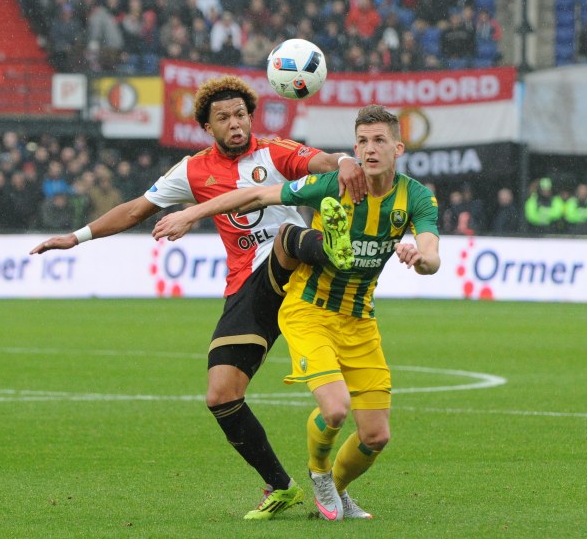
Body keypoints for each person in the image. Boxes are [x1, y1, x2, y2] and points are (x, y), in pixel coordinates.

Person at [29, 75, 366, 520]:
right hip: (249, 284)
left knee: (284, 235)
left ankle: (333, 249)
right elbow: (134, 210)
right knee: (221, 394)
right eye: (223, 117)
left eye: (241, 114)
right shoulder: (192, 171)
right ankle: (280, 486)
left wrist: (344, 159)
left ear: (251, 118)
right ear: (207, 127)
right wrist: (76, 237)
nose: (235, 123)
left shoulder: (276, 151)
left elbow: (323, 160)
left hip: (296, 270)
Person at [151, 104, 441, 520]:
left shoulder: (414, 196)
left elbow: (432, 255)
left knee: (376, 436)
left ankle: (337, 491)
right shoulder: (331, 185)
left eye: (379, 141)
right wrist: (191, 213)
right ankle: (320, 474)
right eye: (362, 141)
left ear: (398, 147)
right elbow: (256, 194)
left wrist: (418, 257)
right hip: (309, 310)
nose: (369, 150)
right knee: (336, 409)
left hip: (360, 319)